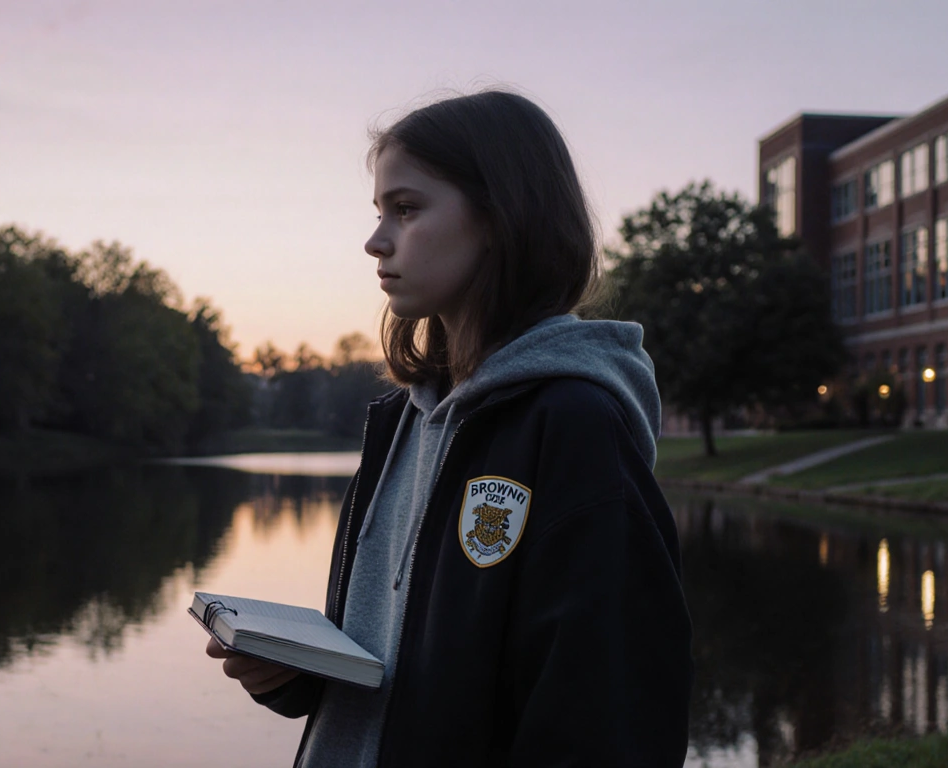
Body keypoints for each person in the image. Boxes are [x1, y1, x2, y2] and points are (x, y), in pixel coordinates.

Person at [207, 89, 693, 767]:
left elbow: (610, 716)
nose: (376, 241)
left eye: (406, 210)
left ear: (501, 216)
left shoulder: (574, 426)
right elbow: (414, 664)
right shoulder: (403, 421)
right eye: (379, 213)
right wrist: (301, 675)